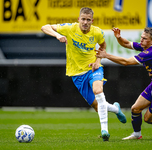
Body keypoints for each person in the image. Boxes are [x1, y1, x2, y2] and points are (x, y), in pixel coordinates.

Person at [41, 7, 126, 141]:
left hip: (93, 68)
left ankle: (104, 130)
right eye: (83, 19)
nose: (85, 22)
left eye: (88, 20)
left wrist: (98, 60)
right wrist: (58, 35)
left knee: (98, 90)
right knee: (98, 107)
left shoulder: (97, 32)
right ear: (78, 19)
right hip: (76, 74)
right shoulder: (69, 28)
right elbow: (44, 27)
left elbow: (102, 47)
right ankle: (116, 109)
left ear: (92, 21)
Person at [95, 27, 152, 140]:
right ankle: (137, 134)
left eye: (144, 38)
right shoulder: (146, 47)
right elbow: (127, 43)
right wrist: (119, 37)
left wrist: (106, 55)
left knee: (148, 119)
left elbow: (126, 62)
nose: (141, 40)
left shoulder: (150, 53)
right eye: (141, 37)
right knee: (135, 109)